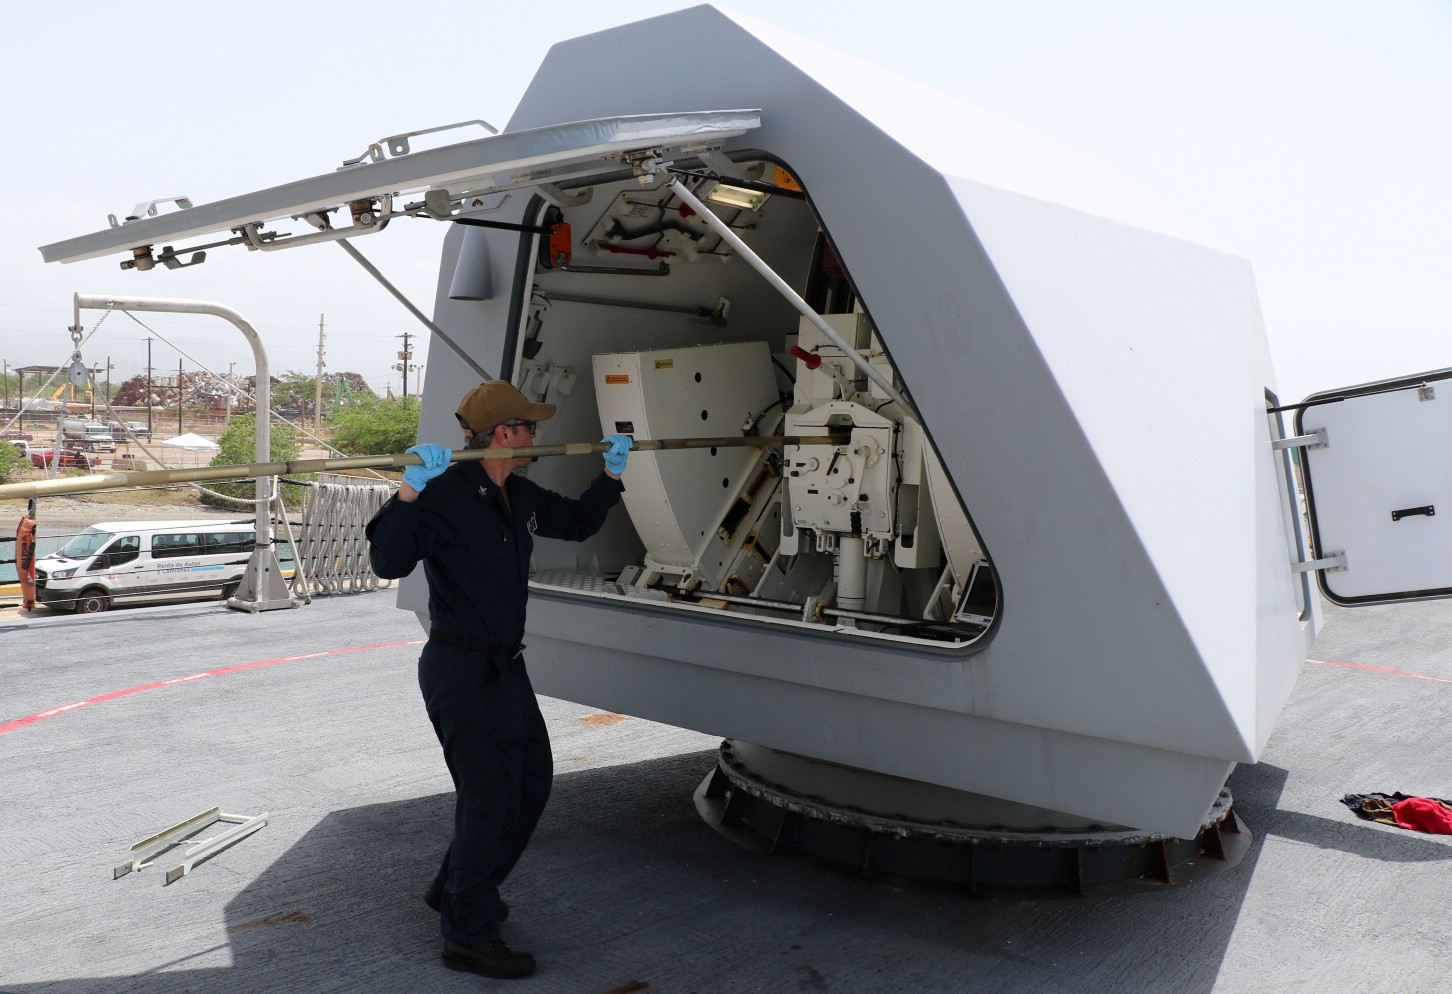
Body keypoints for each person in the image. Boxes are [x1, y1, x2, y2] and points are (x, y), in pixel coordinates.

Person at [366, 379, 633, 980]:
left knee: (532, 781)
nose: (537, 435)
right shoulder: (446, 493)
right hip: (460, 667)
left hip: (504, 666)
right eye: (529, 427)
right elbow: (388, 561)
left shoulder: (514, 492)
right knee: (489, 797)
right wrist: (407, 493)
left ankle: (453, 885)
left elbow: (577, 523)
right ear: (505, 433)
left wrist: (610, 479)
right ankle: (468, 932)